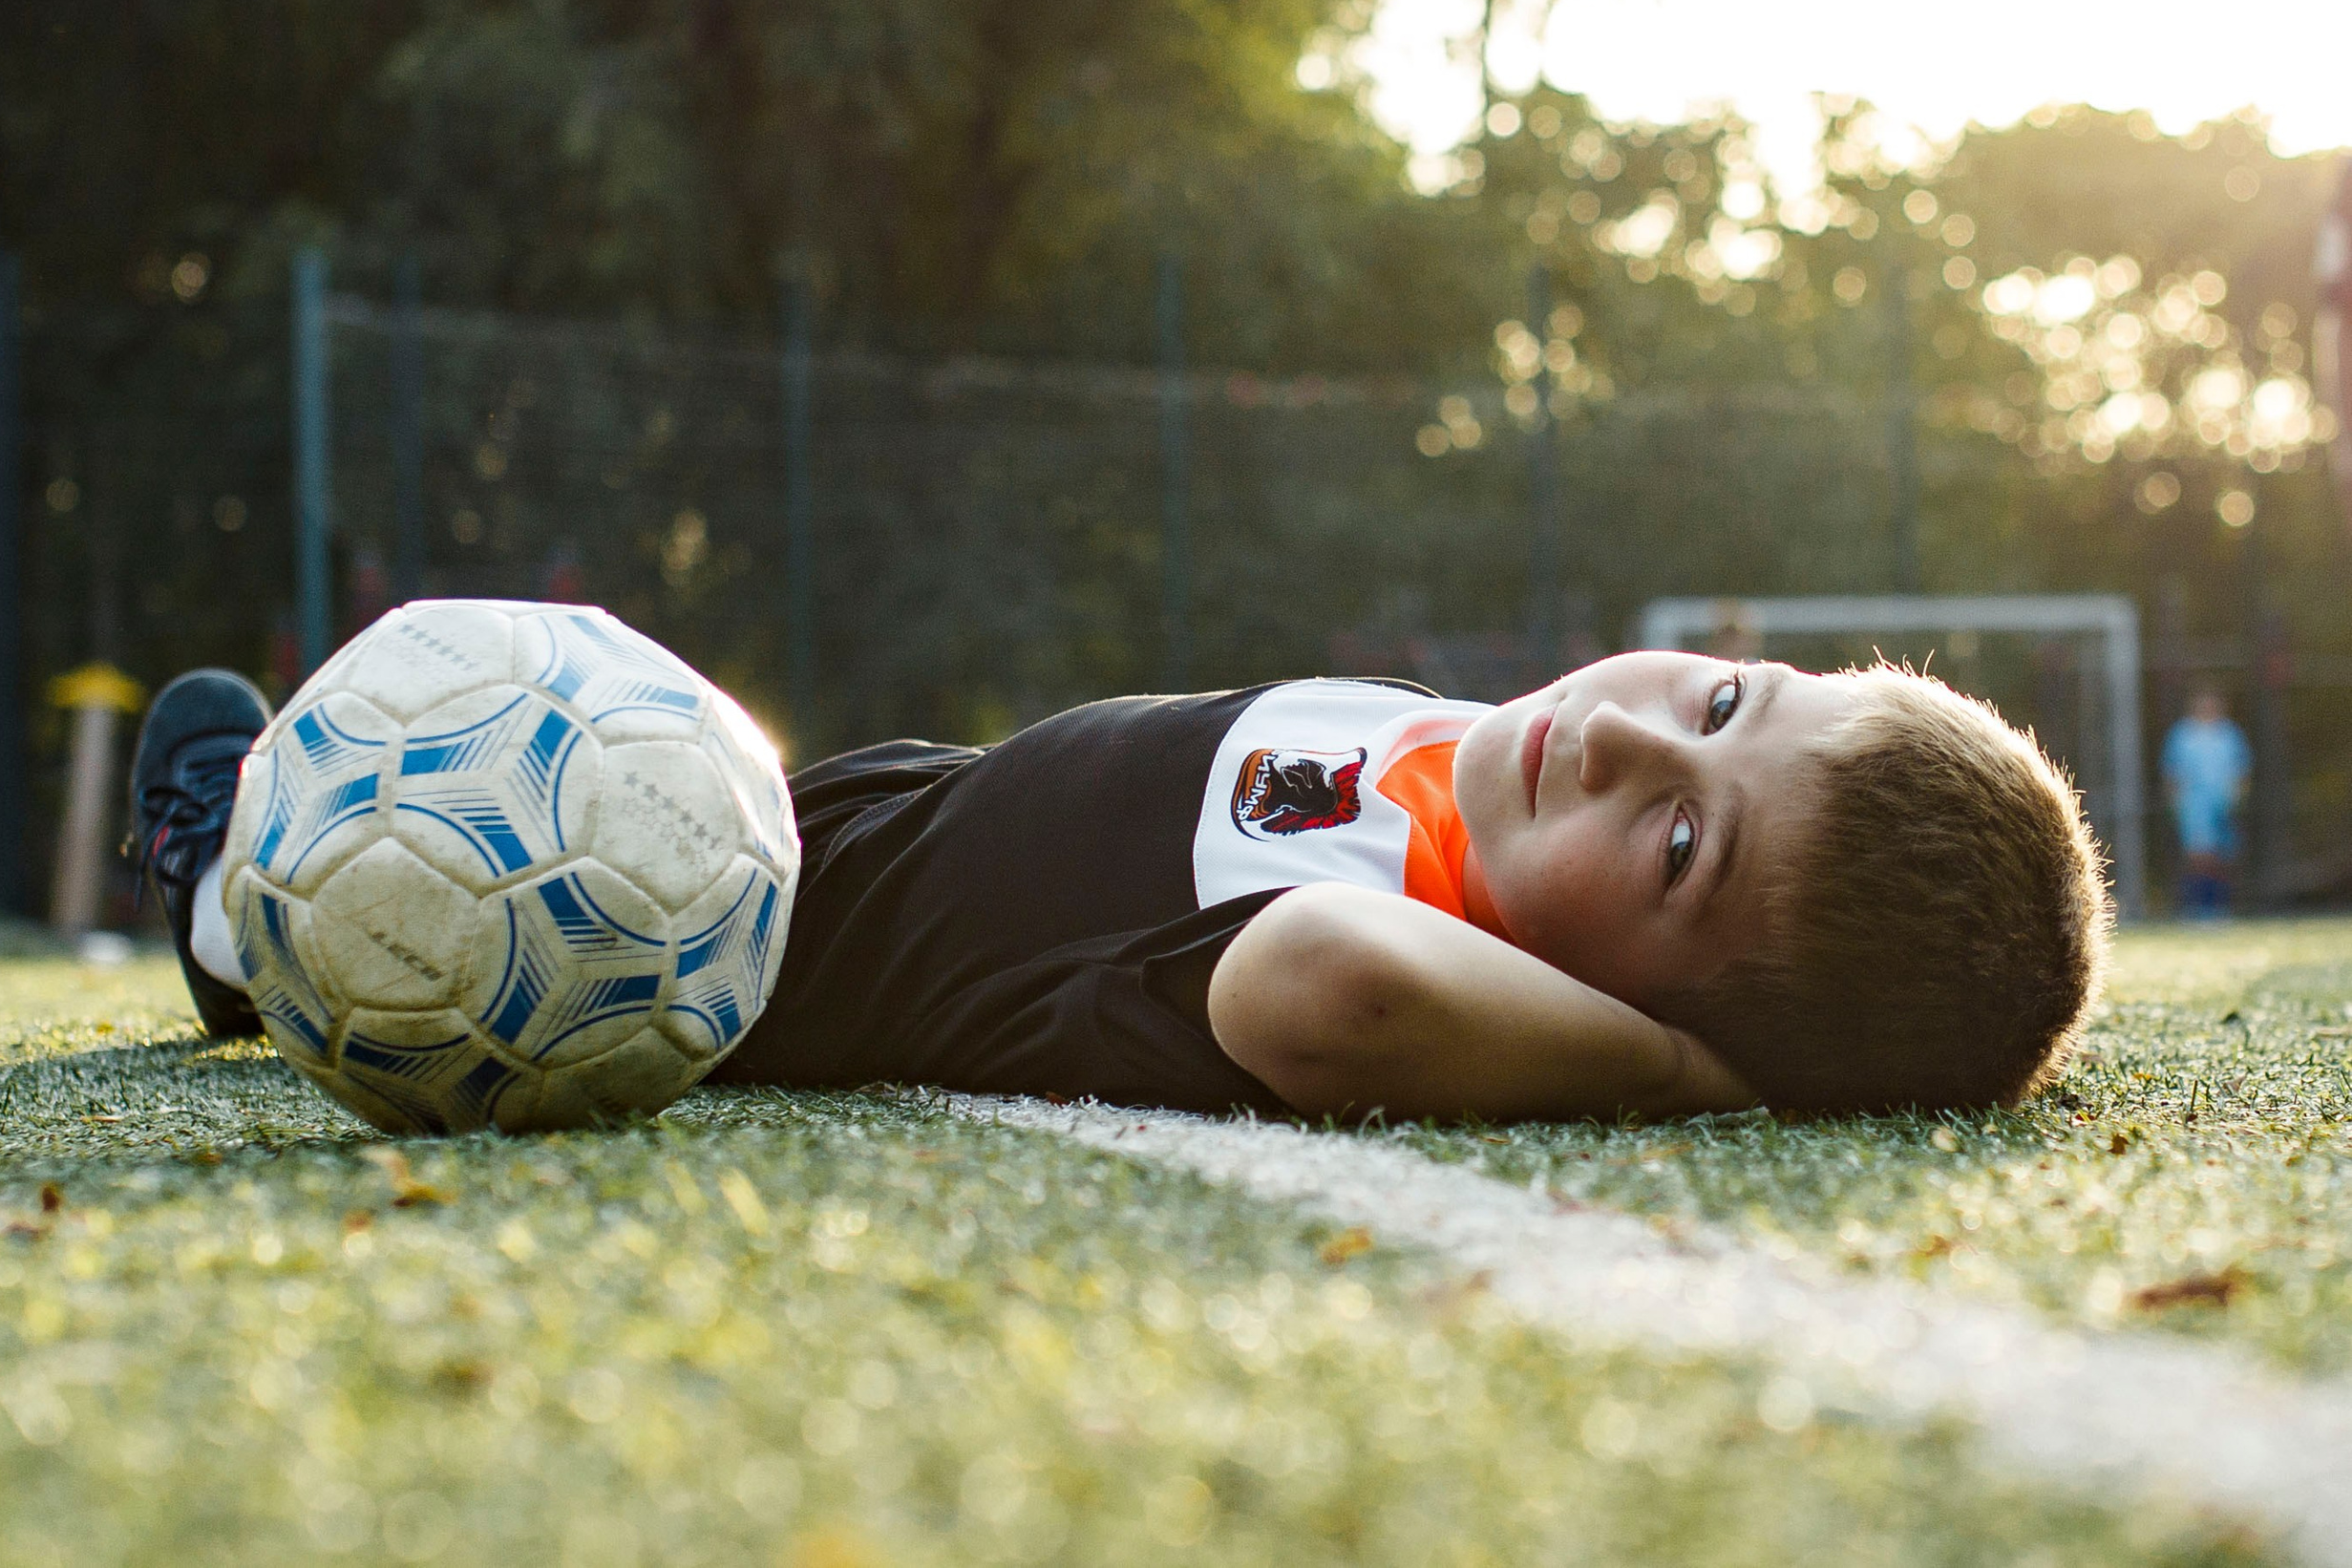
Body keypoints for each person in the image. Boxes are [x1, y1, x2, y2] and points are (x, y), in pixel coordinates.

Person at [129, 650, 2107, 1122]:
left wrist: (1690, 1073)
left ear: (1669, 1000)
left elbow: (1328, 975)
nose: (1620, 743)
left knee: (431, 864)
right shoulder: (1505, 786)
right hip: (833, 801)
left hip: (693, 943)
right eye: (1719, 698)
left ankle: (236, 908)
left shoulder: (1405, 954)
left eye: (1678, 847)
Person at [2160, 685, 2253, 919]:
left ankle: (2219, 909)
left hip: (2223, 804)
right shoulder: (2182, 734)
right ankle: (2196, 908)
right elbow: (2172, 772)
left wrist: (2237, 801)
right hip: (2194, 805)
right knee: (2198, 855)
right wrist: (2176, 804)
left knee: (2221, 856)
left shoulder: (2229, 733)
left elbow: (2242, 770)